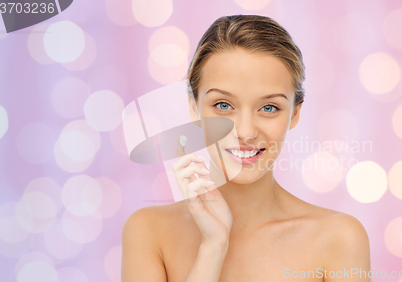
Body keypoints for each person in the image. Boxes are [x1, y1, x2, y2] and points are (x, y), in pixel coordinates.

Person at [122, 14, 371, 282]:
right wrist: (213, 248)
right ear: (194, 107)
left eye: (268, 108)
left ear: (295, 114)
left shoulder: (339, 238)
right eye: (223, 105)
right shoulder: (149, 232)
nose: (245, 132)